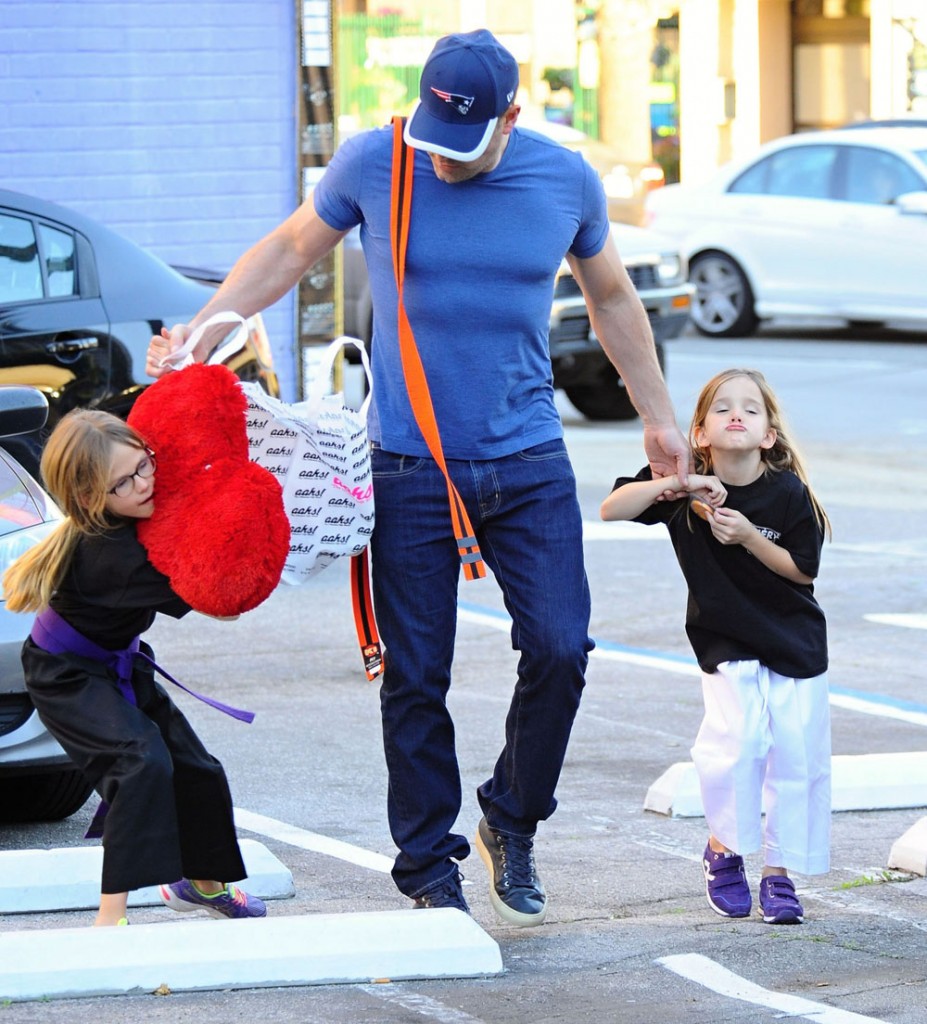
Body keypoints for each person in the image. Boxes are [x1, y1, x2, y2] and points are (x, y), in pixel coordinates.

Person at [146, 28, 688, 925]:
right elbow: (287, 250)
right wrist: (202, 334)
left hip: (527, 458)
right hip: (406, 465)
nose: (437, 164)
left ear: (510, 119)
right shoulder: (376, 163)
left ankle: (510, 816)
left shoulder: (565, 182)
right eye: (431, 140)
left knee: (560, 649)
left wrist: (658, 417)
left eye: (460, 148)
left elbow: (612, 298)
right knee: (414, 673)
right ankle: (426, 869)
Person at [2, 410, 266, 926]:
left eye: (145, 465)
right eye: (125, 481)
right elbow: (221, 603)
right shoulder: (115, 558)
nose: (145, 482)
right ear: (89, 499)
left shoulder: (130, 513)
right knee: (139, 764)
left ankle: (201, 884)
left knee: (198, 769)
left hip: (115, 660)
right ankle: (110, 917)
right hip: (66, 675)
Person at [600, 368, 831, 925]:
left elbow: (802, 571)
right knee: (740, 741)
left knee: (797, 755)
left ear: (768, 435)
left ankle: (780, 872)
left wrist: (749, 535)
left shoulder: (787, 492)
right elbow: (612, 508)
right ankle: (724, 848)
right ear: (699, 433)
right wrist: (670, 485)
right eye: (722, 408)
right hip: (724, 637)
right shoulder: (687, 488)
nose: (737, 415)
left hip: (794, 639)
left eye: (751, 410)